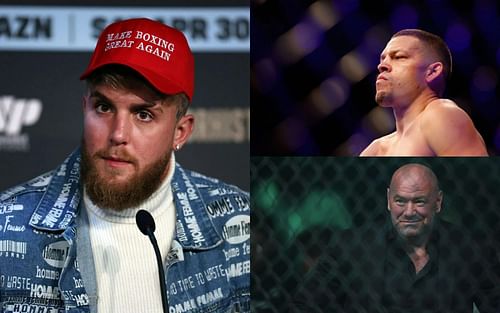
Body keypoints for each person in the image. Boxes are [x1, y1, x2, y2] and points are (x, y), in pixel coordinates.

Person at [0, 18, 250, 313]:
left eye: (143, 114)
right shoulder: (7, 226)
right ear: (85, 108)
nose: (118, 134)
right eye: (103, 107)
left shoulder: (240, 223)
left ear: (180, 132)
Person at [292, 163, 500, 312]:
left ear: (437, 202)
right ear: (389, 200)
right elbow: (305, 303)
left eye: (419, 201)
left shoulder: (472, 249)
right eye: (401, 201)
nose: (409, 212)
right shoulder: (350, 245)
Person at [360, 29, 488, 156]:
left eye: (399, 57)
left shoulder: (441, 114)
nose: (382, 66)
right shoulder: (376, 150)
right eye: (382, 59)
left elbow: (479, 176)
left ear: (432, 72)